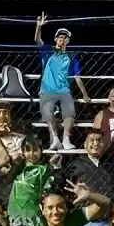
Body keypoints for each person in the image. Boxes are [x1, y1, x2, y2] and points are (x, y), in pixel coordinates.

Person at [34, 12, 90, 150]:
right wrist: (39, 26)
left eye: (64, 37)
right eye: (59, 37)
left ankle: (66, 139)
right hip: (47, 89)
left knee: (69, 113)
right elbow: (37, 39)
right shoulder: (48, 51)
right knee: (48, 111)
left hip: (64, 90)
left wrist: (85, 94)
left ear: (67, 41)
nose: (61, 39)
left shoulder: (72, 57)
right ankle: (55, 139)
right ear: (55, 39)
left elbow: (77, 77)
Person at [8, 136, 60, 226]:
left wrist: (54, 167)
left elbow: (51, 184)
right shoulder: (17, 170)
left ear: (41, 151)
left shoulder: (44, 170)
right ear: (22, 152)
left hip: (33, 216)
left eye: (35, 150)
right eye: (27, 150)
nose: (31, 154)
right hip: (15, 216)